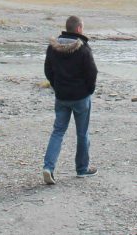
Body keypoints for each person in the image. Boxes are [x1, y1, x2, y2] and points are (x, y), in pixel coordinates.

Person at [42, 15, 98, 184]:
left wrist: (56, 86)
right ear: (79, 29)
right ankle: (82, 169)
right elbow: (92, 73)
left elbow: (47, 70)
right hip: (81, 97)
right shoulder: (83, 49)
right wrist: (89, 90)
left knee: (58, 132)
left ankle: (48, 167)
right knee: (82, 134)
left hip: (62, 96)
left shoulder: (53, 48)